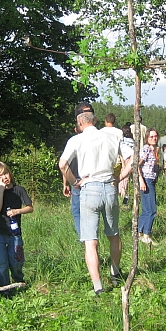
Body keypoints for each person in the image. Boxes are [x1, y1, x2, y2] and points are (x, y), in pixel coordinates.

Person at [59, 103, 133, 295]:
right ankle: (115, 273)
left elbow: (63, 164)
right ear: (95, 120)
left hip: (89, 188)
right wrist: (120, 177)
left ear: (79, 123)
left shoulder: (76, 140)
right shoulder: (111, 137)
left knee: (90, 241)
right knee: (113, 235)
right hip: (109, 188)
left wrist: (75, 182)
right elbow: (133, 158)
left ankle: (98, 286)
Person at [0, 162, 34, 293]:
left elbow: (30, 208)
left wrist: (17, 211)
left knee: (16, 262)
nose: (4, 177)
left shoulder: (19, 190)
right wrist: (1, 190)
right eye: (0, 176)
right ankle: (5, 290)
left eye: (6, 173)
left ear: (10, 173)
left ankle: (19, 283)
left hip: (14, 234)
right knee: (0, 263)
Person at [137, 128, 160, 245]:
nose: (154, 138)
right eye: (151, 136)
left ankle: (139, 233)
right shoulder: (146, 149)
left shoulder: (154, 150)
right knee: (151, 209)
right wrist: (141, 180)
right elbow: (137, 165)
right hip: (146, 180)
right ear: (147, 138)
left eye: (155, 136)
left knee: (146, 209)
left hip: (151, 179)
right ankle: (147, 234)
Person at [120, 124, 135, 204]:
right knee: (128, 177)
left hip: (125, 158)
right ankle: (127, 192)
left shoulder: (123, 140)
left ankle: (122, 193)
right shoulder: (132, 140)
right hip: (132, 159)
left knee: (123, 176)